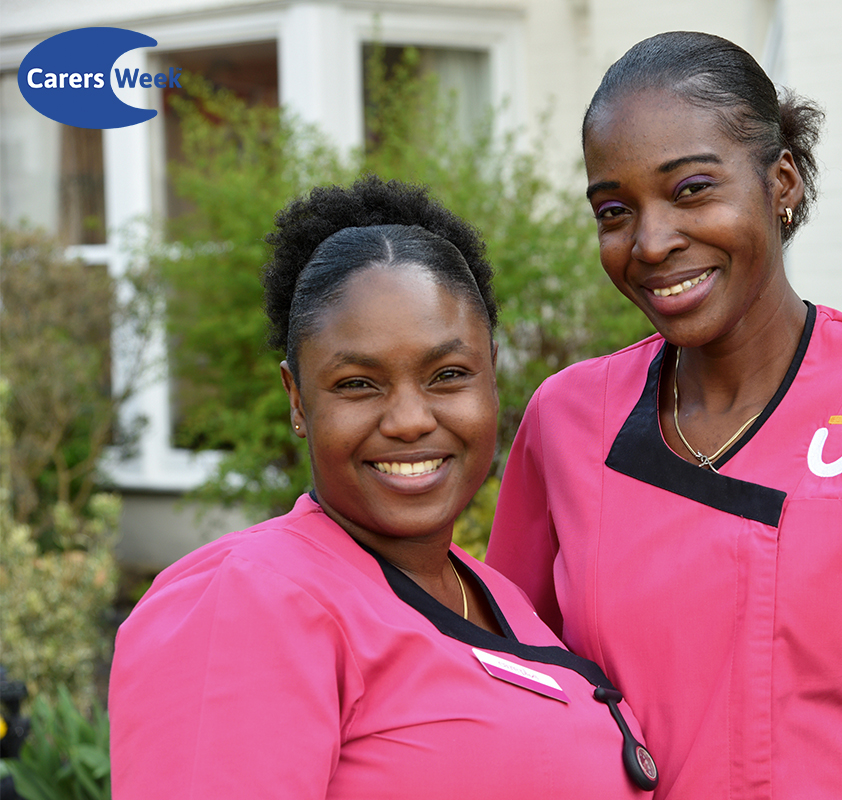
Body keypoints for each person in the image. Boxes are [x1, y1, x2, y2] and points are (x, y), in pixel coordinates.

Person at [485, 31, 842, 800]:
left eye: (692, 188)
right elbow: (518, 692)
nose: (652, 241)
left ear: (783, 183)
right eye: (614, 209)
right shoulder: (566, 419)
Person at [108, 176, 657, 799]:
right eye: (358, 384)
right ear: (297, 396)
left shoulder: (501, 599)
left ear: (492, 376)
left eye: (448, 375)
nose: (409, 420)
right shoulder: (252, 599)